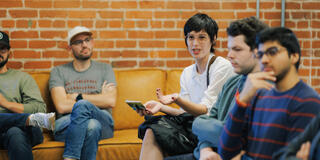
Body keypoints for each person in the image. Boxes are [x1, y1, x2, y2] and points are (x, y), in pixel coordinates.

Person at [137, 13, 235, 160]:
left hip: (208, 132)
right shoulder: (187, 72)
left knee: (157, 130)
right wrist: (160, 107)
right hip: (191, 127)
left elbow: (204, 111)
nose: (195, 43)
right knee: (152, 129)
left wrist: (176, 99)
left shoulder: (221, 67)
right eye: (191, 37)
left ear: (213, 39)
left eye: (202, 37)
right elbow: (185, 114)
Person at [218, 27, 320, 160]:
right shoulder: (258, 95)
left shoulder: (308, 101)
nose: (264, 60)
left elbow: (286, 157)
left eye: (272, 52)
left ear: (294, 56)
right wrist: (242, 100)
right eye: (260, 55)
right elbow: (226, 152)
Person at [191, 16, 268, 160]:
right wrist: (205, 149)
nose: (229, 55)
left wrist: (206, 126)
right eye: (229, 49)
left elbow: (244, 140)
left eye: (237, 49)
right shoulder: (231, 82)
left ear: (258, 51)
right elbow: (201, 121)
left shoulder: (268, 89)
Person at [49, 26, 117, 160]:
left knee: (82, 105)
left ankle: (70, 157)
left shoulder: (105, 69)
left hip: (103, 121)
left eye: (87, 40)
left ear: (93, 42)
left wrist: (78, 97)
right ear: (69, 48)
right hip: (65, 124)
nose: (84, 45)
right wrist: (99, 98)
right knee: (91, 125)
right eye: (78, 42)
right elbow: (61, 106)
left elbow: (110, 101)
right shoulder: (58, 71)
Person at [0, 31, 48, 160]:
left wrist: (5, 104)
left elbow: (40, 109)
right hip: (9, 133)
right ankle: (26, 118)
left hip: (28, 132)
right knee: (14, 132)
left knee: (16, 131)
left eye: (2, 49)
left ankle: (25, 120)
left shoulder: (22, 78)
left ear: (9, 52)